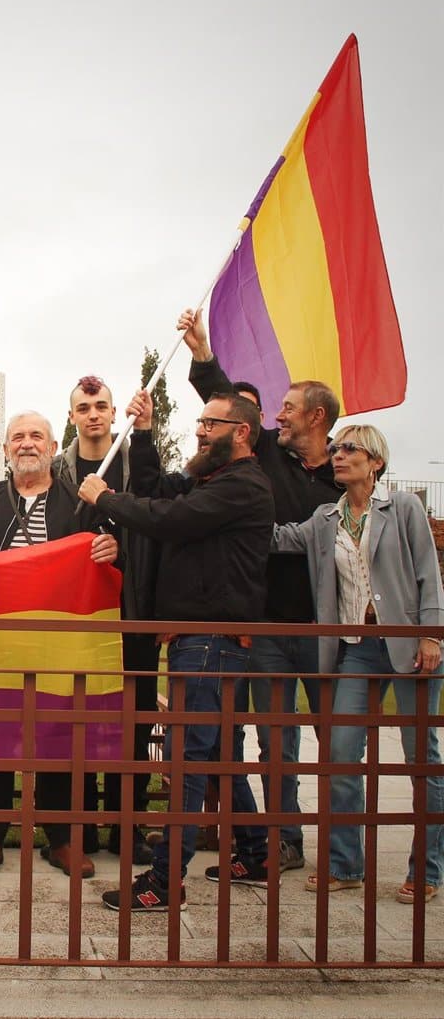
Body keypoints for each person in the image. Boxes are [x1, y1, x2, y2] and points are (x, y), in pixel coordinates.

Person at [79, 389, 273, 912]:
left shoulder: (242, 486)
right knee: (218, 754)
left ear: (241, 433)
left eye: (211, 423)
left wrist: (104, 498)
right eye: (199, 421)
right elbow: (155, 487)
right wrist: (143, 434)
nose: (200, 430)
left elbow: (167, 518)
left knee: (189, 761)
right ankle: (255, 853)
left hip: (209, 638)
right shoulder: (213, 478)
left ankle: (165, 883)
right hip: (202, 638)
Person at [179, 308, 339, 872]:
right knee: (276, 746)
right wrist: (202, 353)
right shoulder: (268, 454)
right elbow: (232, 408)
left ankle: (346, 855)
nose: (279, 415)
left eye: (290, 409)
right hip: (269, 625)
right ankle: (282, 841)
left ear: (317, 417)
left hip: (328, 630)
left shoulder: (346, 474)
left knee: (341, 746)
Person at [272, 425, 444, 904]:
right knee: (341, 755)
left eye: (350, 449)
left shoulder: (403, 509)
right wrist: (232, 514)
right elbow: (279, 539)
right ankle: (346, 864)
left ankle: (427, 870)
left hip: (408, 644)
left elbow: (429, 574)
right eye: (336, 449)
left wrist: (430, 635)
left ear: (375, 462)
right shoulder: (324, 518)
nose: (338, 456)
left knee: (422, 761)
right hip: (355, 647)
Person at [0, 412, 119, 878]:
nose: (26, 444)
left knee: (61, 737)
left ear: (54, 447)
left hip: (61, 644)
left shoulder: (83, 502)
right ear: (5, 449)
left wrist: (113, 549)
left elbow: (120, 553)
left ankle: (64, 838)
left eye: (37, 437)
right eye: (18, 437)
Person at [54, 376, 161, 867]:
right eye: (83, 407)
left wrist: (124, 550)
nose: (93, 414)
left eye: (101, 406)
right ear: (72, 416)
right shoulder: (58, 471)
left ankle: (128, 824)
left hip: (128, 613)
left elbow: (159, 525)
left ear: (114, 413)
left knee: (130, 722)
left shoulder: (136, 466)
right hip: (73, 616)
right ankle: (79, 825)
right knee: (75, 722)